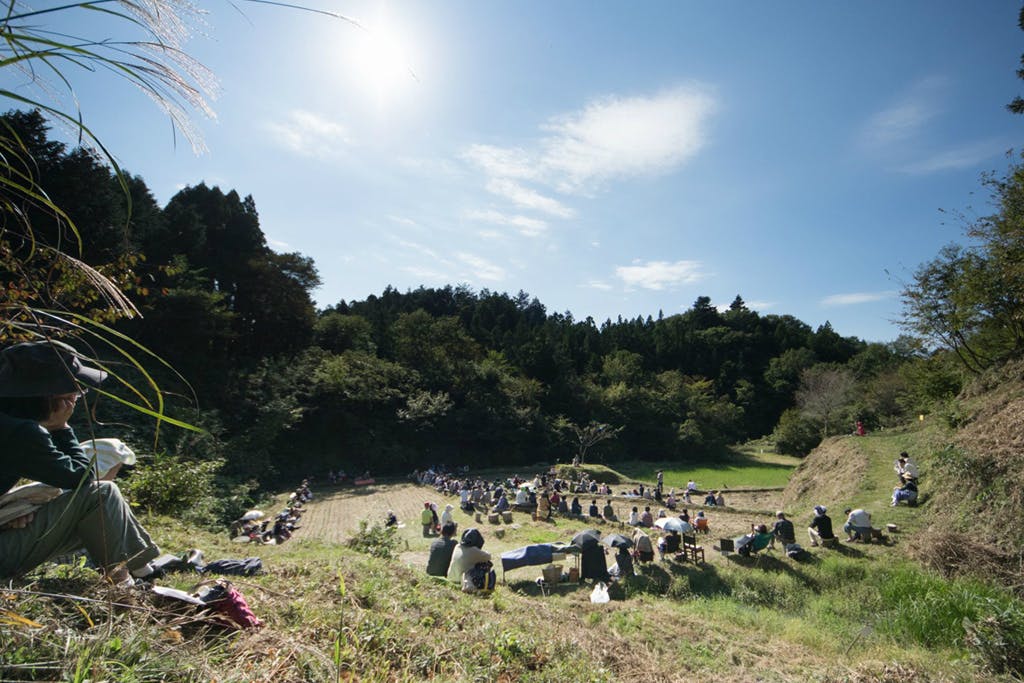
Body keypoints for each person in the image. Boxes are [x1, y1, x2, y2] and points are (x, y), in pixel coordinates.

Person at [0, 341, 160, 582]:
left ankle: (143, 572)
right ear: (48, 397)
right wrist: (61, 428)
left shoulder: (9, 423)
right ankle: (128, 584)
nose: (76, 398)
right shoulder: (21, 433)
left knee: (98, 508)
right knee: (100, 495)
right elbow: (83, 477)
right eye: (72, 393)